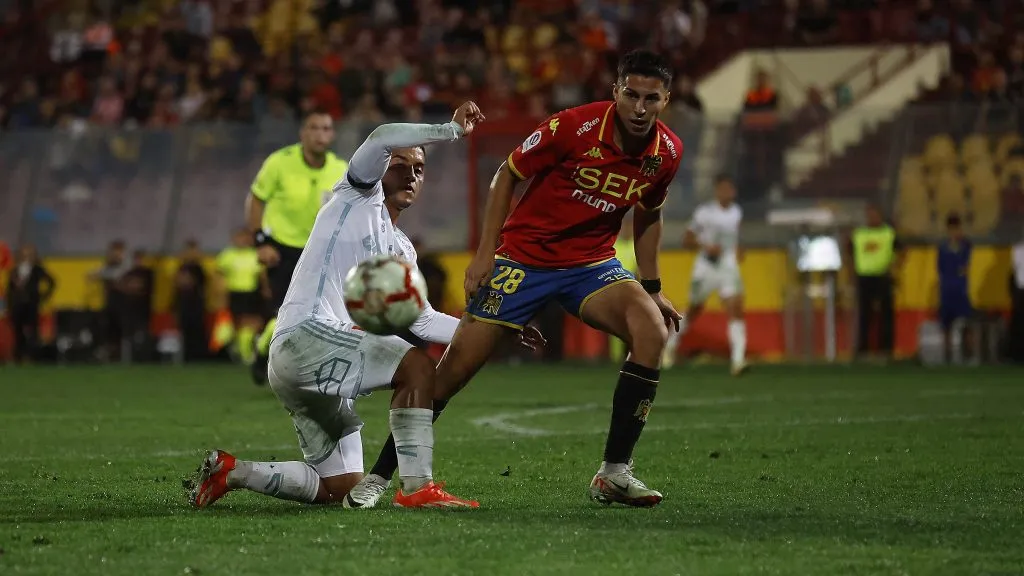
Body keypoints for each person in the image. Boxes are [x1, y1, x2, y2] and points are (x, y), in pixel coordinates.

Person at [349, 49, 684, 509]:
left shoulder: (666, 153)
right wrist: (486, 254)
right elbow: (506, 174)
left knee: (651, 330)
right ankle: (379, 477)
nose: (641, 108)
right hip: (523, 261)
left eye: (652, 98)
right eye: (632, 95)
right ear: (616, 91)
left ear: (667, 98)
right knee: (449, 374)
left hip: (591, 264)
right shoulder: (573, 126)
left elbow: (649, 213)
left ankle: (614, 473)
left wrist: (651, 287)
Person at [190, 102, 525, 510]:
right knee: (417, 367)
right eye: (401, 164)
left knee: (338, 487)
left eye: (420, 169)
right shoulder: (356, 194)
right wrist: (449, 131)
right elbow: (383, 136)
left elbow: (420, 320)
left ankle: (233, 471)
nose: (411, 174)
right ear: (381, 167)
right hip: (305, 336)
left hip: (311, 365)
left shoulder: (401, 248)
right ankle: (418, 486)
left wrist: (493, 327)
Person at [246, 109, 350, 385]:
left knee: (323, 312)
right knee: (283, 312)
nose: (320, 134)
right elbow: (256, 200)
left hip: (320, 251)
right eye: (314, 128)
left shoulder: (340, 169)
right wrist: (260, 241)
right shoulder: (279, 162)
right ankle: (263, 353)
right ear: (303, 133)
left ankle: (312, 369)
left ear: (332, 135)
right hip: (281, 248)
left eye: (326, 128)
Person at [662, 175, 746, 374]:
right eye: (723, 189)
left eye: (730, 189)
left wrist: (739, 249)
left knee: (735, 306)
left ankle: (738, 360)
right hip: (705, 267)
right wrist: (706, 247)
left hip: (727, 266)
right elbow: (687, 240)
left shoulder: (736, 212)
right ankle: (669, 347)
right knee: (694, 309)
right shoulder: (705, 213)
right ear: (717, 191)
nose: (727, 193)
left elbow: (735, 237)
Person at [850, 205, 902, 361]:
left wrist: (894, 267)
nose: (872, 218)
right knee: (865, 314)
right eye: (869, 215)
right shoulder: (859, 234)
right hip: (864, 277)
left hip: (883, 276)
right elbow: (850, 254)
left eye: (875, 215)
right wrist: (851, 273)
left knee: (886, 314)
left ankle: (885, 349)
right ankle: (863, 350)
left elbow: (901, 250)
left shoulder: (888, 233)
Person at [215, 229, 264, 364]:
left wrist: (265, 292)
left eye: (245, 238)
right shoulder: (227, 255)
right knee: (232, 324)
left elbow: (262, 276)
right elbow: (219, 276)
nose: (242, 241)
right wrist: (220, 295)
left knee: (250, 323)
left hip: (250, 293)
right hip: (233, 293)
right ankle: (234, 350)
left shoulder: (255, 254)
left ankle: (246, 353)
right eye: (239, 237)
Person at [6, 245, 55, 363]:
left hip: (31, 305)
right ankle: (18, 356)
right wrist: (9, 304)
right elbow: (10, 290)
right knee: (18, 331)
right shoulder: (14, 270)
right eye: (25, 253)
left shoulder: (38, 269)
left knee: (33, 331)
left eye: (30, 253)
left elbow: (51, 282)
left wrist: (42, 297)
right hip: (17, 306)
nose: (27, 256)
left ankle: (34, 356)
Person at [936, 214, 973, 363]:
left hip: (961, 289)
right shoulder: (943, 248)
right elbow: (940, 268)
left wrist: (961, 239)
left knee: (967, 321)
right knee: (946, 324)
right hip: (946, 290)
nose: (954, 232)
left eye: (956, 229)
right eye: (951, 229)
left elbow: (968, 255)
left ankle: (969, 351)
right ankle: (947, 353)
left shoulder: (964, 246)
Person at [173, 239, 208, 363]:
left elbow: (199, 283)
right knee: (185, 330)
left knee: (197, 330)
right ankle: (186, 357)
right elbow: (178, 283)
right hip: (184, 303)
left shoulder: (199, 268)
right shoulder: (181, 267)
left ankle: (198, 357)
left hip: (196, 303)